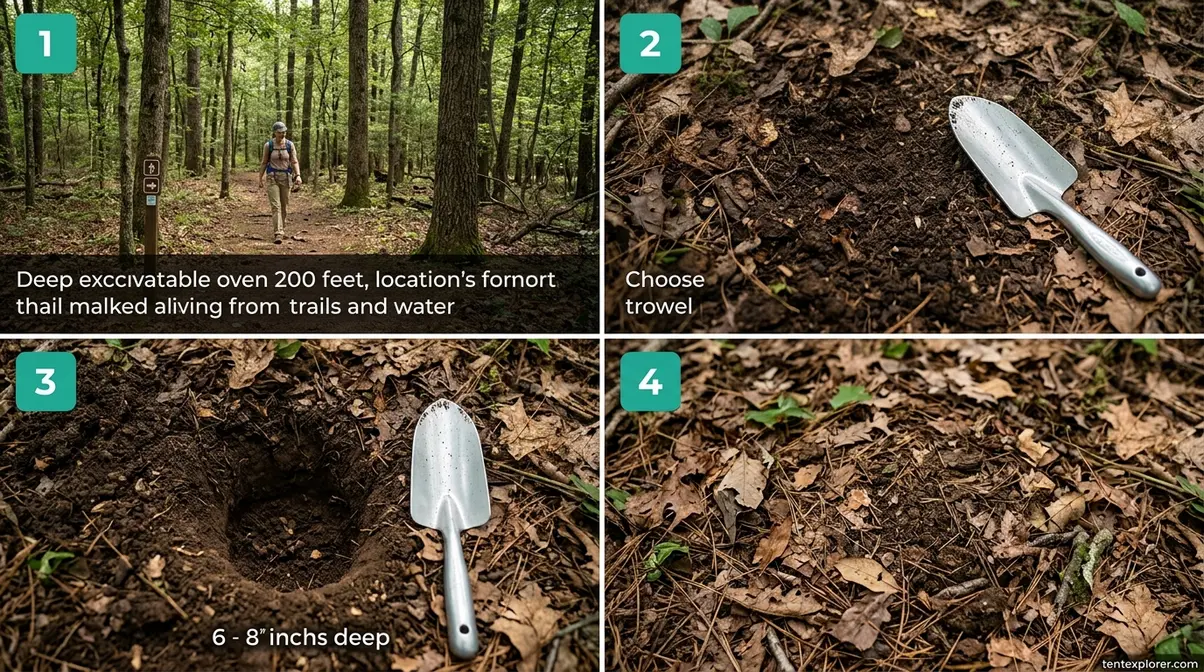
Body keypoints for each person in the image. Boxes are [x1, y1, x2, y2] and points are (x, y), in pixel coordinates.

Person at [258, 121, 302, 244]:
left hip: (286, 177)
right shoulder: (269, 145)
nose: (282, 134)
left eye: (284, 132)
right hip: (272, 177)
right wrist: (260, 177)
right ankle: (278, 232)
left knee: (284, 205)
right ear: (274, 133)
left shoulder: (289, 145)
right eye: (279, 132)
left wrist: (298, 175)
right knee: (276, 205)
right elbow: (264, 162)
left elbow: (294, 161)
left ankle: (281, 227)